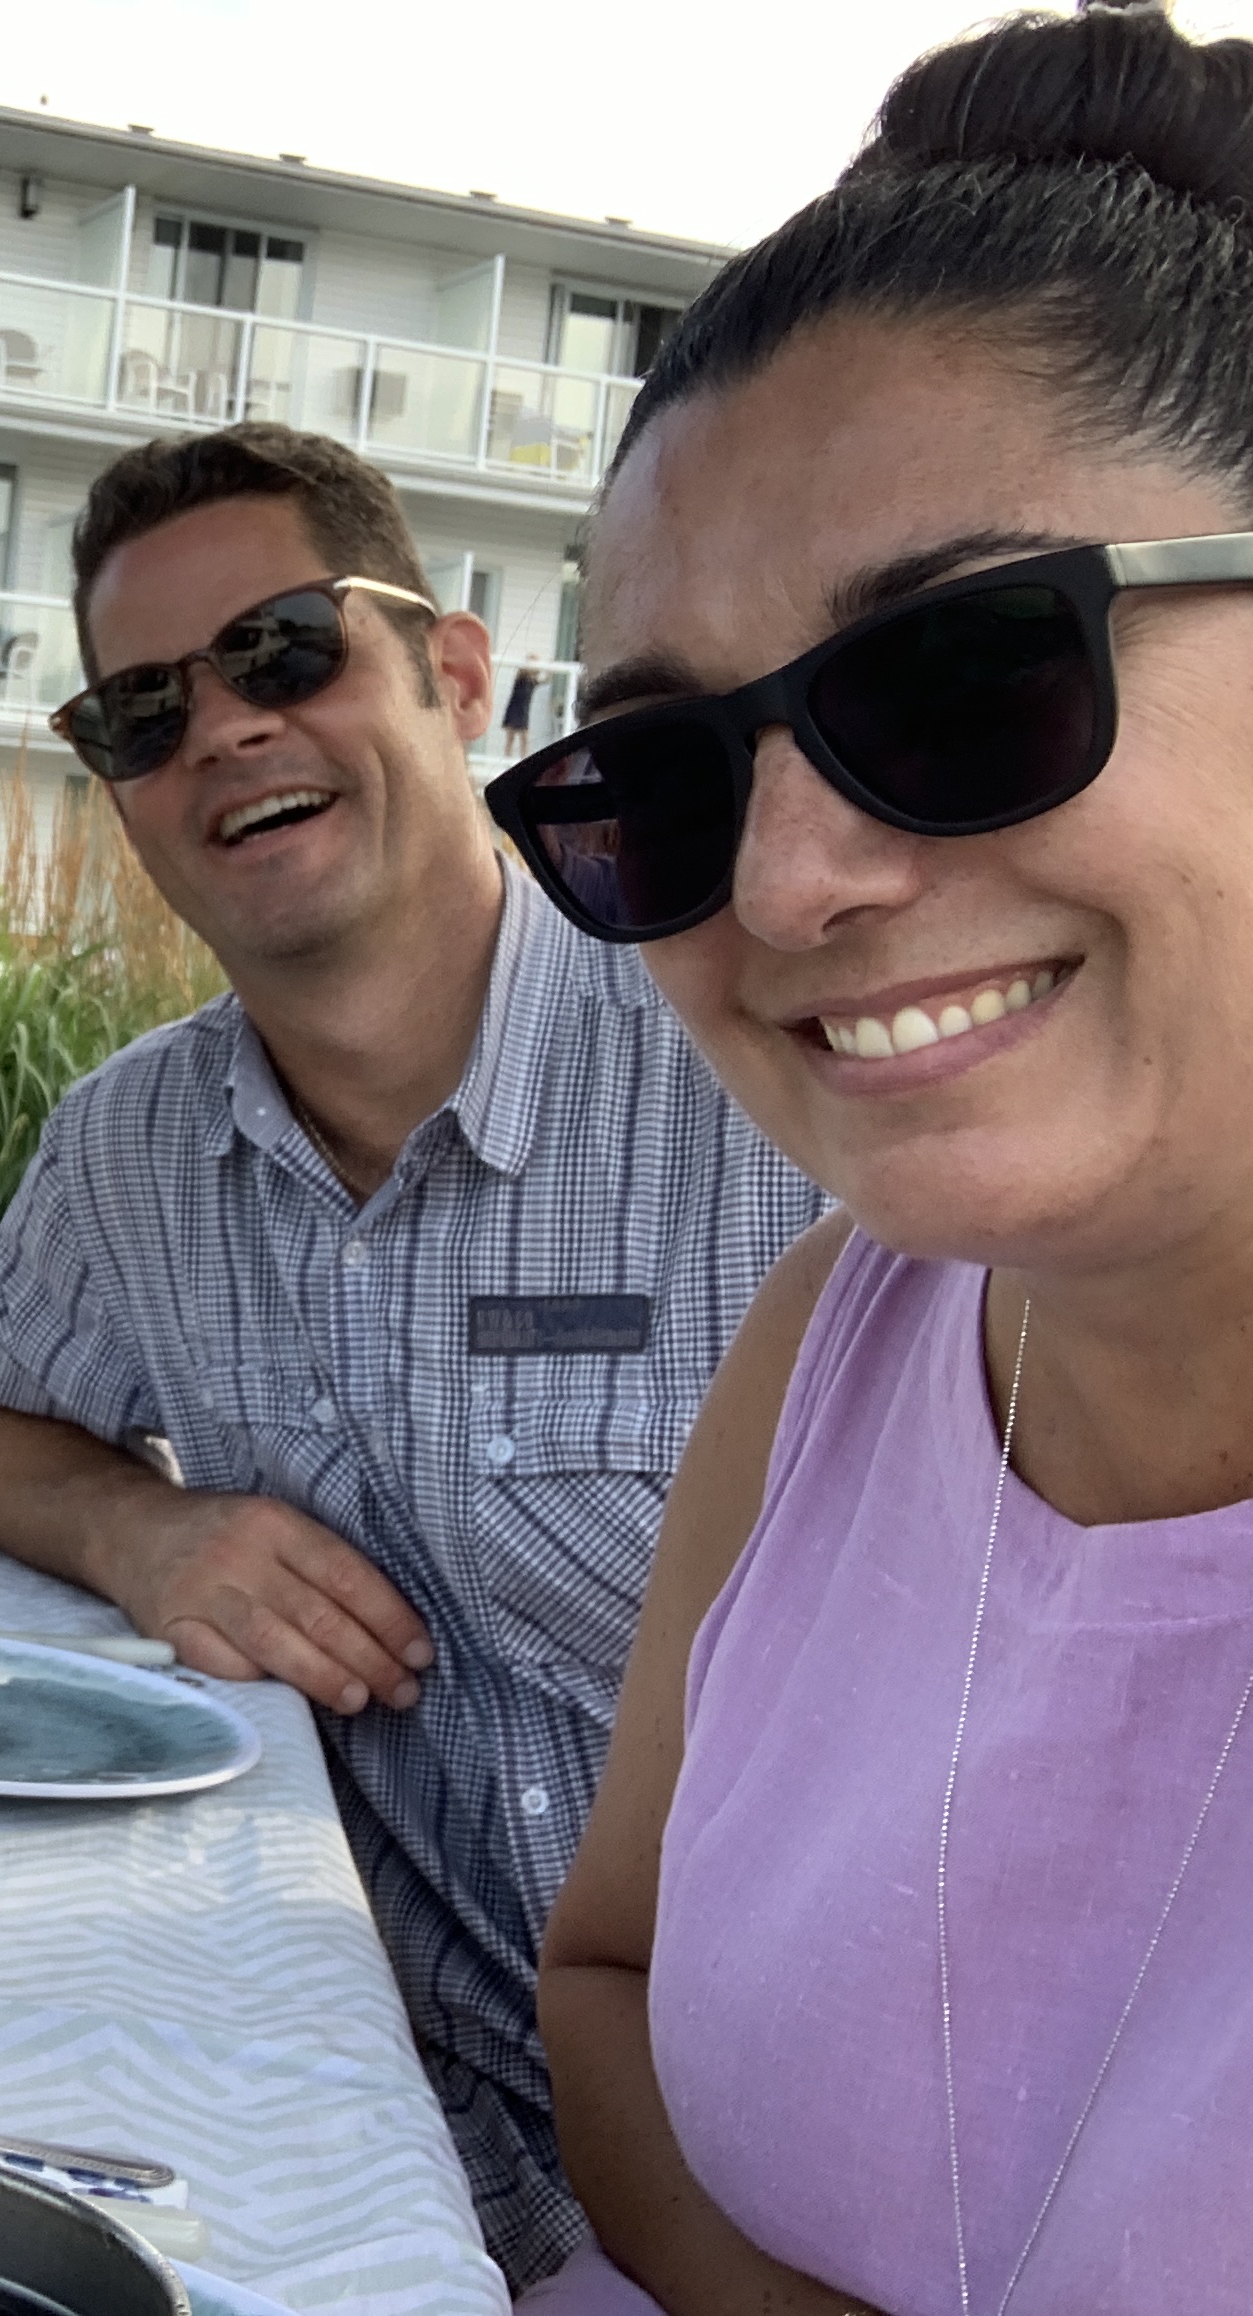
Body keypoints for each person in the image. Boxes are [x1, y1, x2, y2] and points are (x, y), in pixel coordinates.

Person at [516, 8, 1253, 2307]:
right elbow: (603, 1973)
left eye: (955, 674)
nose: (788, 880)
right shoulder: (844, 1333)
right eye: (658, 783)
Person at [0, 422, 820, 2286]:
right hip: (386, 2121)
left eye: (280, 651)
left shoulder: (756, 1070)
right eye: (140, 713)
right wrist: (146, 1532)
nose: (222, 731)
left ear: (458, 675)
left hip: (789, 2178)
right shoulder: (127, 1149)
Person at [500, 660, 544, 757]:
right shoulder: (520, 678)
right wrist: (528, 662)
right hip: (513, 709)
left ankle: (524, 758)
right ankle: (507, 758)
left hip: (523, 711)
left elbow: (546, 679)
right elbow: (521, 670)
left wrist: (549, 665)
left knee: (524, 738)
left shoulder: (533, 682)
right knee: (510, 737)